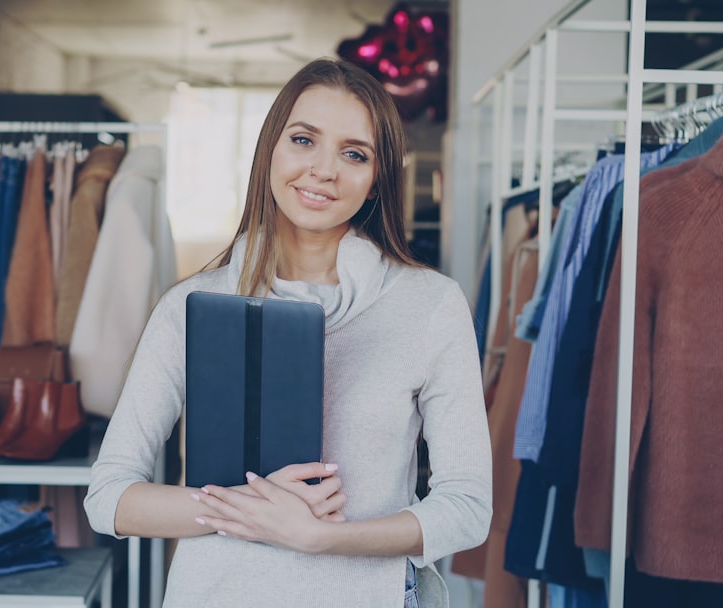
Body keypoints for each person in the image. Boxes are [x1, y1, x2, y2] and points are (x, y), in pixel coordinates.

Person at [84, 58, 491, 608]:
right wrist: (253, 511)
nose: (323, 169)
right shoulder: (190, 306)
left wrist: (319, 536)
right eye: (303, 139)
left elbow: (466, 509)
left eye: (354, 154)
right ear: (270, 150)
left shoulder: (429, 305)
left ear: (376, 182)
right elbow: (109, 499)